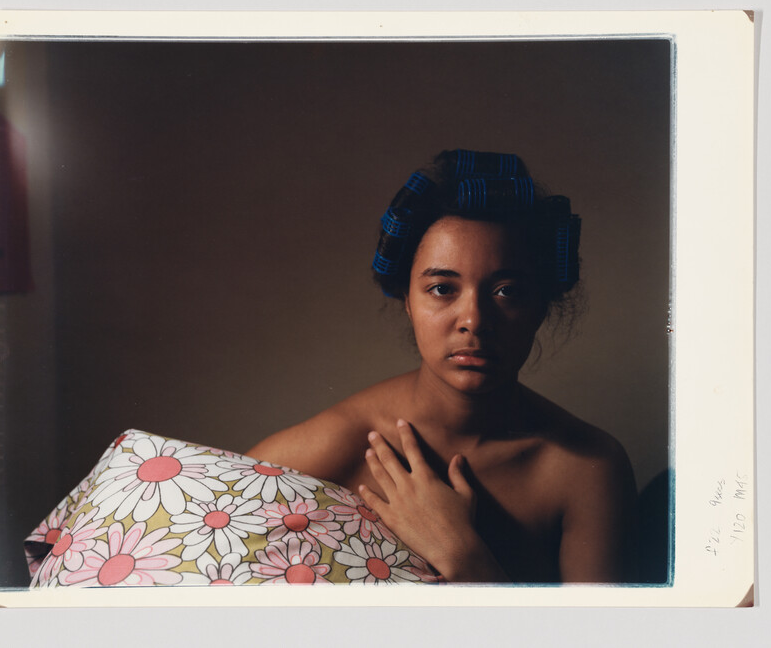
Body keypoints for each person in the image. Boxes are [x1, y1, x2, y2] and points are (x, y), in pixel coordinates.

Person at [247, 150, 638, 583]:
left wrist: (465, 556)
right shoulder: (335, 444)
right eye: (441, 288)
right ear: (408, 302)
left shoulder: (585, 469)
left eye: (507, 291)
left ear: (541, 307)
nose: (474, 320)